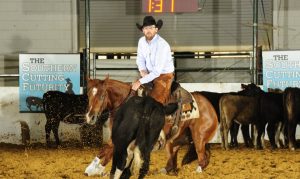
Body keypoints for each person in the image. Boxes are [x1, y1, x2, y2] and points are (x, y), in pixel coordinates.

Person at [132, 16, 174, 105]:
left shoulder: (162, 45)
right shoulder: (141, 41)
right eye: (146, 28)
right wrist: (142, 70)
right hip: (148, 73)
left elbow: (157, 72)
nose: (148, 30)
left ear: (156, 29)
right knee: (132, 95)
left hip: (164, 75)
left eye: (151, 28)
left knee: (154, 101)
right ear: (143, 30)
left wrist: (140, 81)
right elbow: (140, 59)